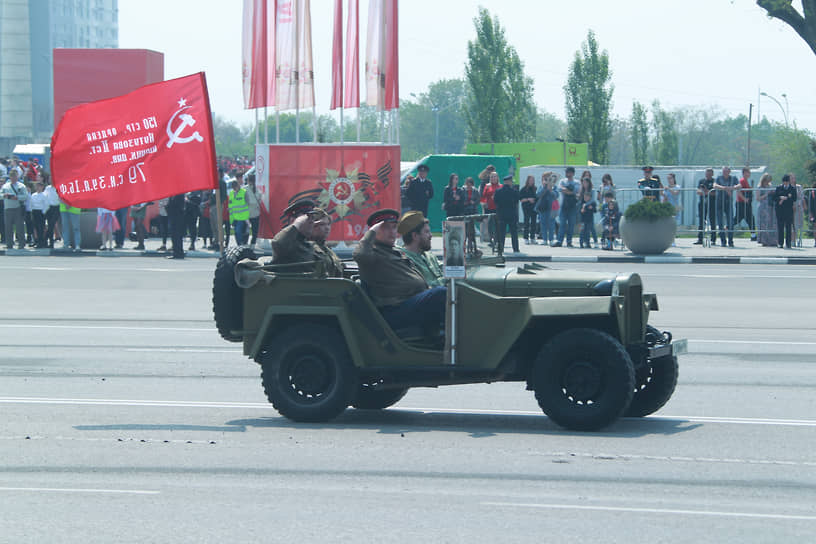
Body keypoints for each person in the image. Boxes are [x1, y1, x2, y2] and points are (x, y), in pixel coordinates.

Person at [353, 208, 446, 333]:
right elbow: (360, 255)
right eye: (386, 228)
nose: (392, 233)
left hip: (410, 302)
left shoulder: (395, 251)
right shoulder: (373, 254)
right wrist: (370, 232)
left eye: (394, 227)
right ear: (375, 231)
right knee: (440, 294)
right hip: (394, 310)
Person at [271, 199, 343, 278]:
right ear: (294, 221)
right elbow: (278, 243)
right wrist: (297, 224)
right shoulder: (289, 245)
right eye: (307, 218)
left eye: (312, 218)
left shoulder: (310, 245)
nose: (312, 221)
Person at [397, 211, 444, 287]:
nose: (431, 236)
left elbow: (446, 269)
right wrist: (447, 279)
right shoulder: (404, 260)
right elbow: (424, 287)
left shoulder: (429, 256)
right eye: (427, 232)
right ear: (415, 236)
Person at [552, 166, 579, 247]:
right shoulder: (562, 181)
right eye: (567, 172)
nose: (568, 174)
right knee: (562, 224)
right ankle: (559, 241)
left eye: (570, 172)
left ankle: (569, 241)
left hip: (573, 206)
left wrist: (567, 190)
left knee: (571, 225)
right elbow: (561, 189)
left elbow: (576, 191)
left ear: (573, 173)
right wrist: (570, 191)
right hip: (563, 206)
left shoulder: (577, 182)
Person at [494, 174, 520, 256]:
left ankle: (501, 249)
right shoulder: (514, 191)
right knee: (514, 233)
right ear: (509, 182)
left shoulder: (498, 191)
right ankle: (515, 249)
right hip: (512, 214)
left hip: (501, 214)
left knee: (501, 233)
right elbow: (516, 201)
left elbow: (496, 201)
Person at [1, 169, 28, 249]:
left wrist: (17, 197)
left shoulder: (21, 186)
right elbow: (0, 194)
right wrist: (4, 195)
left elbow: (25, 196)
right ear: (10, 176)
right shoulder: (5, 186)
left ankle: (21, 243)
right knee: (8, 227)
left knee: (19, 227)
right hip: (7, 209)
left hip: (17, 208)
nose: (13, 178)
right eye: (12, 176)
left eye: (15, 176)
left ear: (17, 176)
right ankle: (9, 244)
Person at [713, 166, 739, 247]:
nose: (725, 173)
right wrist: (724, 188)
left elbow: (739, 185)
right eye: (723, 171)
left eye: (726, 171)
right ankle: (723, 241)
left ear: (729, 172)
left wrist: (731, 188)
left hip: (728, 203)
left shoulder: (733, 178)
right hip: (719, 202)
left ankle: (730, 241)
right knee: (720, 223)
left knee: (730, 222)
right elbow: (715, 185)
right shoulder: (719, 178)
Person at [774, 173, 797, 248]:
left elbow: (794, 198)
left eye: (787, 182)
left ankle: (788, 243)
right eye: (784, 182)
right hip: (780, 210)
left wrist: (786, 198)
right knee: (780, 227)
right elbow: (774, 198)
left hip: (788, 210)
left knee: (788, 227)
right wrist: (780, 197)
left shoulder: (792, 189)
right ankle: (780, 243)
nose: (785, 183)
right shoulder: (779, 188)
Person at [535, 172, 558, 246]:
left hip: (551, 208)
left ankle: (551, 239)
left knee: (551, 224)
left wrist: (550, 189)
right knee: (543, 224)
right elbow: (538, 195)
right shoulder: (541, 187)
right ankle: (544, 239)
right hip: (542, 207)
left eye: (548, 178)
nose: (547, 180)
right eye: (545, 178)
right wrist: (545, 188)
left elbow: (556, 195)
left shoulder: (554, 187)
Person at [695, 168, 716, 245]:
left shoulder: (714, 181)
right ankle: (700, 238)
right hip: (702, 203)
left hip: (712, 203)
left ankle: (713, 239)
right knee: (701, 221)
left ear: (712, 174)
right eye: (707, 173)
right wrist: (707, 192)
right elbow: (698, 191)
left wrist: (706, 191)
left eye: (710, 173)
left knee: (712, 220)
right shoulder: (701, 181)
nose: (708, 175)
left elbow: (715, 193)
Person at [480, 171, 501, 247]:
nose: (493, 178)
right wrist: (484, 203)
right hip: (489, 208)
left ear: (497, 178)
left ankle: (497, 240)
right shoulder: (487, 186)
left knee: (497, 225)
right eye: (491, 177)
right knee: (490, 225)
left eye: (494, 177)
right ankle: (491, 239)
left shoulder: (500, 186)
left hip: (497, 208)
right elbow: (483, 197)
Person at [734, 167, 755, 241]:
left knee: (750, 219)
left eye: (749, 172)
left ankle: (753, 235)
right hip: (741, 203)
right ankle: (726, 228)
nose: (749, 174)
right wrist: (744, 199)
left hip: (746, 204)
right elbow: (738, 191)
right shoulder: (742, 181)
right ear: (743, 173)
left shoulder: (746, 181)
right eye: (747, 172)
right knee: (737, 219)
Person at [756, 173, 777, 247]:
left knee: (771, 224)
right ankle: (764, 240)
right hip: (763, 208)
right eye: (766, 181)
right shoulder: (759, 187)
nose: (767, 182)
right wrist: (767, 194)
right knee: (764, 224)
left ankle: (772, 240)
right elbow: (758, 198)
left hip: (770, 207)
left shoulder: (770, 186)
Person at [227, 179, 250, 246]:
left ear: (238, 186)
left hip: (242, 216)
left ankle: (240, 244)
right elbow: (231, 204)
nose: (234, 189)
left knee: (238, 231)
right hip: (234, 217)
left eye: (235, 187)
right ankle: (239, 244)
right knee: (236, 232)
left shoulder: (244, 192)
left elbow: (248, 203)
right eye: (233, 187)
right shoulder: (231, 193)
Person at [462, 176, 480, 254]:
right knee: (465, 230)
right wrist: (464, 203)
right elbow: (461, 200)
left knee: (471, 231)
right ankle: (464, 247)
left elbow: (478, 200)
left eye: (470, 184)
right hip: (465, 212)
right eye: (467, 184)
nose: (469, 186)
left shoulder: (475, 191)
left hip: (472, 211)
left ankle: (473, 246)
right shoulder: (463, 190)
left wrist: (474, 202)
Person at [519, 175, 538, 244]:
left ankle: (532, 238)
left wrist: (535, 200)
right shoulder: (523, 189)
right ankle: (526, 238)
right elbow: (521, 199)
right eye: (530, 180)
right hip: (526, 208)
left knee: (534, 223)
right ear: (528, 180)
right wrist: (528, 199)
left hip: (534, 208)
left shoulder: (535, 188)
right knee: (526, 222)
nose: (532, 181)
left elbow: (537, 197)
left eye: (533, 180)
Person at [578, 181, 597, 249]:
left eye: (587, 197)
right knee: (582, 232)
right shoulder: (582, 203)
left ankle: (588, 243)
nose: (586, 198)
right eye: (585, 197)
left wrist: (591, 208)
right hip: (582, 220)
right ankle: (581, 243)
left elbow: (595, 211)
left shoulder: (592, 203)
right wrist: (582, 210)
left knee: (588, 232)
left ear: (590, 197)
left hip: (589, 220)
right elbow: (580, 211)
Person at [43, 176, 61, 248]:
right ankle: (50, 242)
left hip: (56, 208)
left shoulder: (58, 188)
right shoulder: (47, 188)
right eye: (50, 179)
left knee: (51, 225)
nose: (51, 180)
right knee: (50, 225)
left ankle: (44, 240)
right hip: (48, 208)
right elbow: (45, 196)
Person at [166, 192, 186, 259]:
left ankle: (179, 253)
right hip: (172, 217)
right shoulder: (171, 195)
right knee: (174, 236)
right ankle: (176, 252)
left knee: (177, 236)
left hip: (177, 217)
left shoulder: (180, 194)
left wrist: (168, 206)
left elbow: (178, 205)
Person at [29, 180, 48, 248]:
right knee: (35, 228)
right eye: (36, 186)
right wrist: (32, 211)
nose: (37, 188)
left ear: (42, 187)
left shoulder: (44, 195)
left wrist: (43, 213)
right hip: (34, 212)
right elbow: (31, 204)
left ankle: (42, 242)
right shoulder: (33, 195)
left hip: (41, 212)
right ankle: (36, 241)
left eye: (39, 186)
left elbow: (46, 205)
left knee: (41, 228)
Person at [245, 173, 262, 246]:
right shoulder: (257, 189)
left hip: (246, 214)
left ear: (248, 180)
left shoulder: (244, 189)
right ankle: (252, 245)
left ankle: (244, 245)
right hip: (256, 213)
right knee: (255, 232)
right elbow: (260, 200)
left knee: (246, 231)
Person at [792, 173, 804, 246]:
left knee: (797, 224)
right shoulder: (789, 187)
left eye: (793, 178)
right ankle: (792, 240)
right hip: (791, 206)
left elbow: (801, 196)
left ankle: (797, 239)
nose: (792, 179)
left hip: (798, 206)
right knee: (791, 225)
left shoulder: (798, 187)